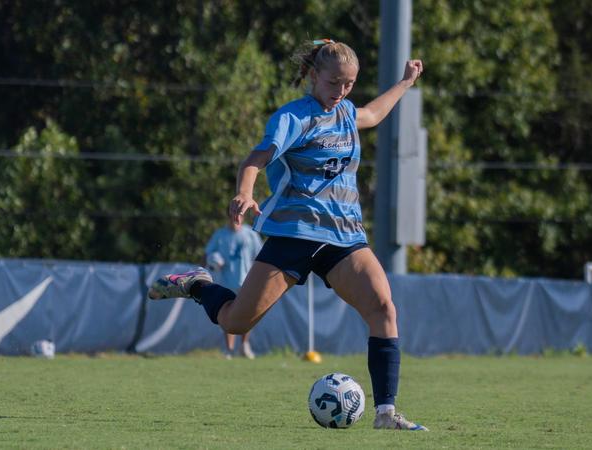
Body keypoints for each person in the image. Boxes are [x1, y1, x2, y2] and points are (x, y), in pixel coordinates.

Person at [149, 40, 427, 431]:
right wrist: (244, 193)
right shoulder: (293, 117)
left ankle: (386, 413)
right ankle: (197, 285)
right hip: (295, 234)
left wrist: (405, 82)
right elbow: (255, 160)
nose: (341, 91)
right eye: (333, 83)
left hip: (344, 236)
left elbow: (374, 113)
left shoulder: (347, 112)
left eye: (349, 84)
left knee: (383, 308)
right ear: (314, 76)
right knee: (235, 323)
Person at [204, 216, 263, 359]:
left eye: (239, 215)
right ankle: (229, 349)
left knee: (247, 314)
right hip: (227, 282)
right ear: (228, 216)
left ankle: (244, 346)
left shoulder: (251, 234)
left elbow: (260, 255)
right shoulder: (220, 235)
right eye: (233, 216)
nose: (235, 219)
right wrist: (211, 262)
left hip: (247, 281)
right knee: (227, 315)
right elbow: (207, 254)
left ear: (243, 216)